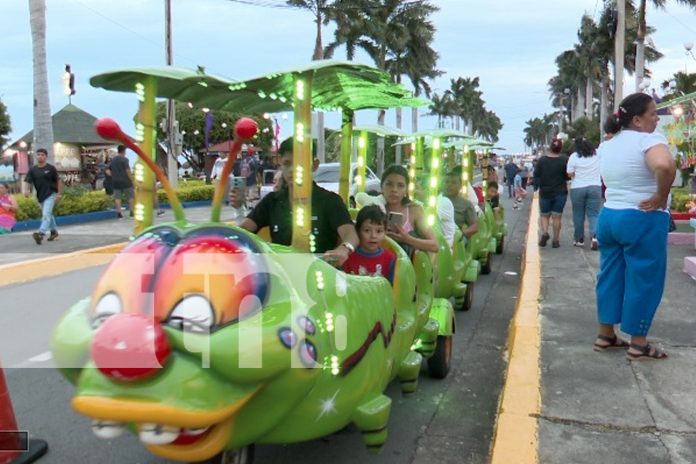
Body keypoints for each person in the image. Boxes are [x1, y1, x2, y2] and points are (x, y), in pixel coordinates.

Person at [594, 92, 675, 360]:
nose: (656, 119)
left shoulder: (608, 144)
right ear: (638, 120)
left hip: (609, 217)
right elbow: (664, 165)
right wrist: (661, 196)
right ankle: (638, 343)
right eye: (653, 114)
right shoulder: (648, 139)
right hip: (641, 217)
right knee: (644, 279)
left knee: (610, 275)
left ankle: (605, 334)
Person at [236, 137, 359, 266]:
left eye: (300, 163)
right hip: (282, 278)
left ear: (315, 165)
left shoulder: (330, 201)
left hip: (321, 275)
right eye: (287, 164)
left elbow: (350, 234)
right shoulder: (271, 201)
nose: (292, 170)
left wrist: (344, 248)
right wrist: (238, 208)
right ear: (281, 165)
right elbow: (243, 231)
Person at [342, 205, 397, 284]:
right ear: (358, 231)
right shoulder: (347, 257)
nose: (373, 236)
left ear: (385, 232)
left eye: (379, 231)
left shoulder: (390, 258)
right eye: (367, 230)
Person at [567, 136, 602, 249]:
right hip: (595, 187)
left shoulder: (574, 156)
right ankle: (595, 237)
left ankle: (579, 239)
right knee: (593, 214)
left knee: (578, 214)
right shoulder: (597, 153)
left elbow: (569, 173)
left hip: (578, 188)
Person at [534, 139, 569, 248]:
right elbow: (567, 176)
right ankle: (555, 240)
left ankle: (545, 233)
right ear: (561, 148)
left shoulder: (542, 160)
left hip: (545, 192)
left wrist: (536, 188)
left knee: (544, 215)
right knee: (557, 217)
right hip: (560, 192)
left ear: (550, 147)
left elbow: (536, 175)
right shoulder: (565, 160)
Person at [24, 148, 62, 244]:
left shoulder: (51, 168)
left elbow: (58, 181)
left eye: (42, 155)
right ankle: (54, 232)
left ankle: (41, 234)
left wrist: (59, 194)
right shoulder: (33, 169)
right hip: (40, 195)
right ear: (36, 156)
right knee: (48, 214)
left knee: (46, 214)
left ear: (46, 157)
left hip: (51, 194)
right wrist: (26, 190)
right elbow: (28, 181)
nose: (40, 156)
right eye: (38, 154)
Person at [443, 168, 479, 240]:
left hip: (455, 238)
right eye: (446, 182)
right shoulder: (436, 200)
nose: (449, 185)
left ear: (460, 186)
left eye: (453, 183)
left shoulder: (466, 204)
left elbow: (475, 226)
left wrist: (462, 234)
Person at [107, 145, 134, 219]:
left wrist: (114, 175)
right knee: (131, 197)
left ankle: (119, 213)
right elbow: (128, 171)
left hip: (115, 181)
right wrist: (132, 179)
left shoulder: (113, 160)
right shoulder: (125, 160)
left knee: (117, 198)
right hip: (126, 181)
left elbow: (108, 171)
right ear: (124, 151)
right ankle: (132, 212)